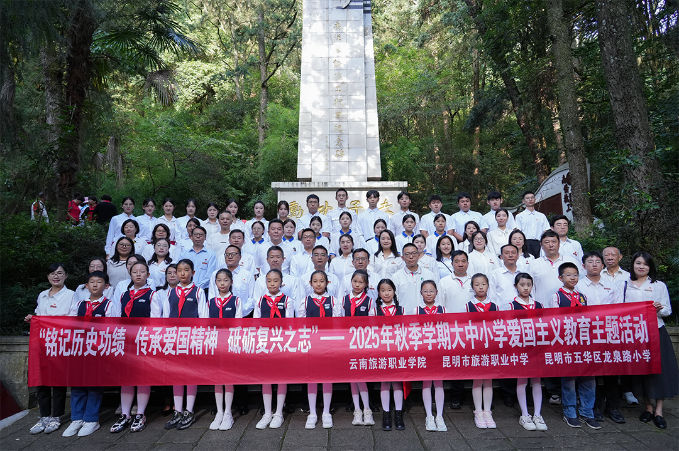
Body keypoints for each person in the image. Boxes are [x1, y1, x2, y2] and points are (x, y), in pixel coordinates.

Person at [623, 252, 679, 429]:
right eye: (638, 263)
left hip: (656, 332)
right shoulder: (624, 285)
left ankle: (659, 411)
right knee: (642, 371)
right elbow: (619, 309)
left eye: (645, 264)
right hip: (635, 334)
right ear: (632, 265)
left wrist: (659, 308)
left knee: (660, 371)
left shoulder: (658, 285)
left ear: (650, 267)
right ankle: (647, 407)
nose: (641, 266)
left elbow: (668, 311)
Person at [63, 270, 118, 437]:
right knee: (77, 384)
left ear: (106, 286)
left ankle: (91, 419)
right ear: (86, 286)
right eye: (92, 282)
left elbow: (112, 328)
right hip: (79, 350)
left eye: (99, 282)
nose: (95, 285)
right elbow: (70, 324)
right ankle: (76, 418)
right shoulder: (79, 305)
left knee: (94, 385)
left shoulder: (109, 305)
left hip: (97, 351)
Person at [547, 262, 600, 429]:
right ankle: (570, 412)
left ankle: (587, 412)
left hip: (583, 343)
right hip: (566, 343)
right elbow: (554, 321)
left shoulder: (582, 297)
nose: (572, 277)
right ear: (560, 277)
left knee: (589, 379)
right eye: (568, 275)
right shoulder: (557, 297)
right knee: (569, 379)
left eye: (575, 274)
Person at [575, 251, 625, 424]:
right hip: (587, 334)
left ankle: (613, 408)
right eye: (590, 261)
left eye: (597, 261)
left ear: (603, 265)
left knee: (611, 372)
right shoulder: (578, 286)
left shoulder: (612, 286)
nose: (594, 264)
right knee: (591, 372)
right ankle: (594, 407)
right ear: (584, 266)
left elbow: (619, 309)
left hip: (609, 333)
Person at [25, 263, 74, 435]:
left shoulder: (71, 295)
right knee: (41, 380)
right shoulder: (42, 295)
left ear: (66, 276)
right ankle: (44, 416)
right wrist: (33, 318)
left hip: (60, 342)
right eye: (52, 273)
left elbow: (73, 319)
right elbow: (39, 316)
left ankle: (56, 416)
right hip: (41, 343)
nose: (56, 276)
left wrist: (53, 322)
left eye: (60, 273)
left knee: (58, 381)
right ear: (47, 277)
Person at [110, 261, 159, 434]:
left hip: (144, 342)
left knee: (142, 378)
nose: (138, 274)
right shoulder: (124, 295)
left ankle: (140, 413)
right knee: (126, 379)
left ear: (148, 275)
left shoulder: (153, 295)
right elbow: (117, 318)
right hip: (126, 342)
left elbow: (155, 320)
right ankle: (125, 414)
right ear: (130, 275)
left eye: (142, 271)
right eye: (135, 272)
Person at [163, 259, 208, 431]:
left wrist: (201, 339)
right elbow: (166, 317)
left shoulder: (198, 292)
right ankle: (178, 410)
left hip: (192, 339)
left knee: (190, 375)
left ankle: (189, 411)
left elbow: (203, 317)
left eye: (186, 270)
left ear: (193, 273)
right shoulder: (170, 292)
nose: (182, 273)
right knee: (176, 376)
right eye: (179, 270)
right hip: (175, 340)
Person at [502, 273, 548, 431]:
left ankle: (538, 414)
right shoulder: (511, 306)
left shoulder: (539, 305)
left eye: (529, 285)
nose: (526, 288)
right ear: (515, 286)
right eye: (522, 285)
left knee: (536, 381)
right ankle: (525, 414)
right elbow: (508, 328)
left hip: (536, 349)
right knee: (521, 381)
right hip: (520, 349)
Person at [298, 270, 340, 429]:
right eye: (315, 281)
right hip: (311, 345)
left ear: (327, 283)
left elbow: (337, 324)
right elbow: (301, 324)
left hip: (328, 345)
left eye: (322, 281)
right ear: (310, 283)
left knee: (327, 377)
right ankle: (313, 413)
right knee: (312, 378)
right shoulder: (305, 301)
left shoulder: (333, 301)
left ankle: (327, 412)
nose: (318, 284)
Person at [254, 269, 294, 429]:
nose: (272, 284)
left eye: (276, 280)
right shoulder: (260, 300)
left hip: (281, 343)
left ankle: (278, 413)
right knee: (266, 378)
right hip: (265, 344)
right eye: (269, 281)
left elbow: (290, 324)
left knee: (281, 377)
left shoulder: (287, 300)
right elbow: (256, 324)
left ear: (281, 282)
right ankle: (267, 413)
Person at [208, 269, 243, 431]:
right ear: (215, 283)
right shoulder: (210, 302)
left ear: (231, 282)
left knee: (228, 379)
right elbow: (206, 325)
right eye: (219, 280)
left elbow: (238, 325)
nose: (222, 283)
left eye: (225, 280)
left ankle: (228, 413)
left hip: (229, 345)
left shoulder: (236, 301)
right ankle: (219, 412)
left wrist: (232, 344)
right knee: (217, 379)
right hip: (215, 345)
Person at [341, 270, 376, 426]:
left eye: (361, 282)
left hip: (363, 343)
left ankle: (367, 409)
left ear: (366, 284)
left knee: (361, 377)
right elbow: (340, 321)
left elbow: (372, 324)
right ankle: (357, 410)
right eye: (355, 281)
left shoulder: (369, 301)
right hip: (348, 343)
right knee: (352, 378)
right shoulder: (344, 300)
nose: (357, 284)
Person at [415, 280, 447, 432]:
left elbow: (447, 330)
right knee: (426, 383)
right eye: (425, 291)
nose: (428, 294)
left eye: (431, 291)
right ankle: (429, 416)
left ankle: (439, 416)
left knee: (439, 383)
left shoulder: (443, 309)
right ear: (421, 293)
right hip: (424, 352)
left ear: (436, 293)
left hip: (439, 352)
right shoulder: (416, 310)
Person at [466, 273, 497, 429]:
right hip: (475, 348)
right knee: (477, 380)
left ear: (488, 286)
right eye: (477, 284)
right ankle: (478, 411)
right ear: (472, 287)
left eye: (483, 284)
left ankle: (488, 411)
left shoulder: (495, 306)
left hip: (490, 347)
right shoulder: (468, 306)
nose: (480, 287)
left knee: (489, 379)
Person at [375, 279, 405, 431]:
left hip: (398, 351)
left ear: (394, 291)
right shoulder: (375, 311)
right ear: (378, 293)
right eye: (383, 290)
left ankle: (398, 414)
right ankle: (386, 414)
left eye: (389, 290)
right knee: (385, 383)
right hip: (382, 351)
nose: (386, 293)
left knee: (398, 382)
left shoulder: (402, 309)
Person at [530, 230, 581, 307]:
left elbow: (579, 283)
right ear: (541, 245)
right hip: (543, 308)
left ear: (559, 243)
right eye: (546, 242)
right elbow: (531, 288)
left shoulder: (571, 261)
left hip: (569, 308)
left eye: (554, 242)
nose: (551, 245)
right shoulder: (534, 264)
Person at [253, 246, 304, 312]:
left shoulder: (292, 280)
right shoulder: (260, 280)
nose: (275, 260)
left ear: (283, 259)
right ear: (267, 260)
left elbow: (296, 301)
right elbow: (256, 301)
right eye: (272, 257)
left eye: (278, 257)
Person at [392, 243, 436, 312]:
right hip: (404, 315)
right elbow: (394, 299)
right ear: (402, 258)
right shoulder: (396, 276)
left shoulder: (429, 275)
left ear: (418, 256)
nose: (411, 256)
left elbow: (435, 297)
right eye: (407, 254)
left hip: (425, 315)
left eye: (414, 253)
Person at [179, 226, 217, 292]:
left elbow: (210, 274)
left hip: (203, 290)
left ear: (205, 237)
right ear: (191, 237)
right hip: (184, 289)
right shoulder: (184, 254)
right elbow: (179, 272)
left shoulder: (211, 254)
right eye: (195, 234)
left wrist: (196, 288)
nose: (198, 236)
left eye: (201, 235)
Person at [514, 191, 550, 258]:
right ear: (523, 201)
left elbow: (545, 230)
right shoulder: (519, 216)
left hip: (539, 243)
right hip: (526, 243)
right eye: (527, 198)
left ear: (535, 200)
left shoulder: (541, 216)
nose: (530, 199)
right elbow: (518, 231)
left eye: (532, 198)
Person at [487, 244, 521, 309]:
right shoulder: (494, 274)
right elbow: (491, 297)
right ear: (501, 257)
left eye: (513, 253)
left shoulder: (524, 273)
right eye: (507, 253)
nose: (510, 255)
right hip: (502, 312)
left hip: (522, 312)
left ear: (518, 256)